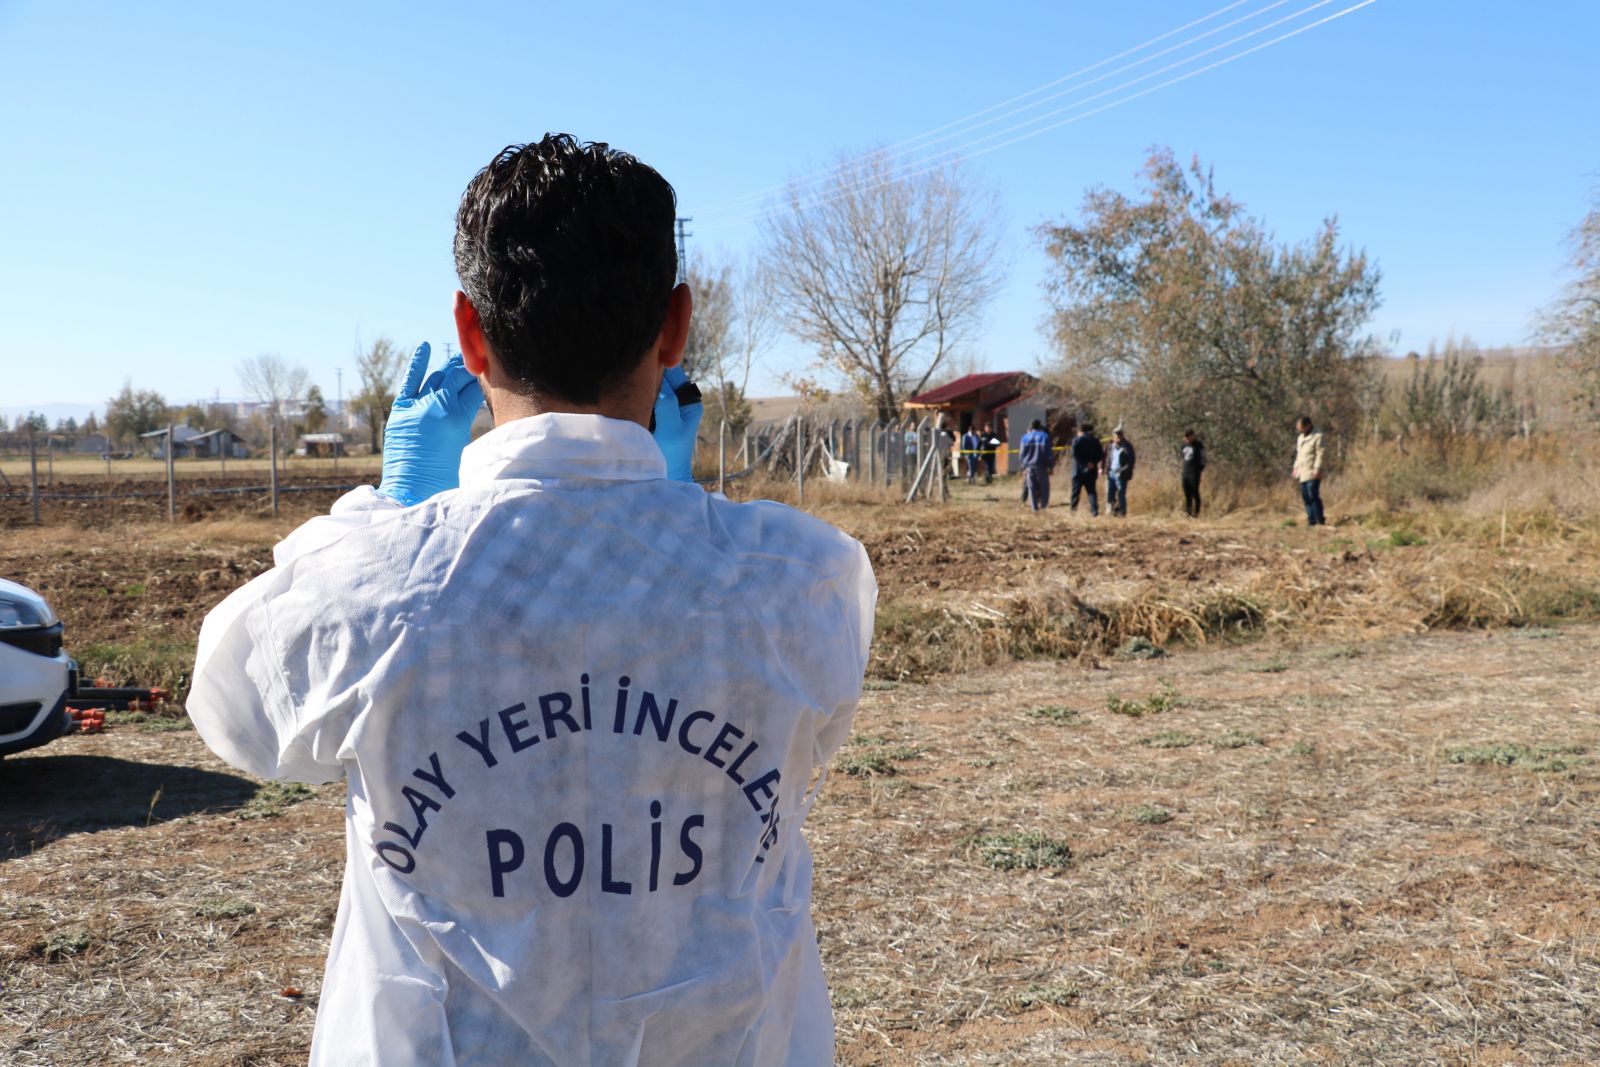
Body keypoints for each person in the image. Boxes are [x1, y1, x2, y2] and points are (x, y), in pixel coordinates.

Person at [186, 135, 876, 1066]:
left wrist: (394, 518)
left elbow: (233, 713)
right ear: (674, 329)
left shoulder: (374, 586)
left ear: (471, 335)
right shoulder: (800, 580)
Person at [1293, 414, 1327, 526]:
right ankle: (1311, 520)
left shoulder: (1318, 436)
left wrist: (1317, 468)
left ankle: (1320, 519)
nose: (1301, 431)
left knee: (1313, 495)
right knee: (1306, 496)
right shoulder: (1300, 438)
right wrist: (1295, 467)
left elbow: (1320, 453)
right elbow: (1299, 454)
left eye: (1302, 428)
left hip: (1313, 471)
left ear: (1309, 425)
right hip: (1302, 471)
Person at [1018, 418, 1055, 510]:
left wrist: (1023, 467)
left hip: (1029, 466)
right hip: (1042, 466)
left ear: (1031, 426)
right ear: (1040, 426)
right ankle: (1044, 506)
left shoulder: (1025, 437)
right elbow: (1048, 453)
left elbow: (1022, 454)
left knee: (1031, 487)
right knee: (1044, 487)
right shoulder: (1045, 436)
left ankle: (1034, 508)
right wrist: (1050, 466)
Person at [1069, 422, 1104, 516]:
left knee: (1076, 492)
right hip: (1091, 471)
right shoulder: (1095, 440)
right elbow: (1100, 454)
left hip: (1078, 471)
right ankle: (1094, 511)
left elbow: (1074, 454)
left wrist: (1084, 463)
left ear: (1080, 431)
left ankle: (1073, 510)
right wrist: (1092, 463)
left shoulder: (1076, 440)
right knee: (1092, 492)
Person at [1105, 426, 1135, 517]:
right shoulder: (1110, 446)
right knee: (1110, 493)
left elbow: (1131, 462)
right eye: (1115, 436)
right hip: (1111, 473)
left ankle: (1122, 512)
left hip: (1121, 474)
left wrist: (1122, 470)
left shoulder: (1127, 447)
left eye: (1119, 436)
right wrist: (1104, 469)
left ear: (1122, 436)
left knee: (1121, 494)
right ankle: (1111, 511)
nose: (1117, 438)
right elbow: (1106, 459)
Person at [1181, 430, 1206, 517]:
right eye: (1186, 437)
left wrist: (1199, 470)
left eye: (1190, 436)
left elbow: (1203, 459)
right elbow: (1183, 458)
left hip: (1194, 473)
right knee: (1187, 493)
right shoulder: (1184, 445)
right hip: (1185, 472)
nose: (1188, 438)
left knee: (1195, 492)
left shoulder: (1199, 445)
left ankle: (1197, 513)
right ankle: (1188, 512)